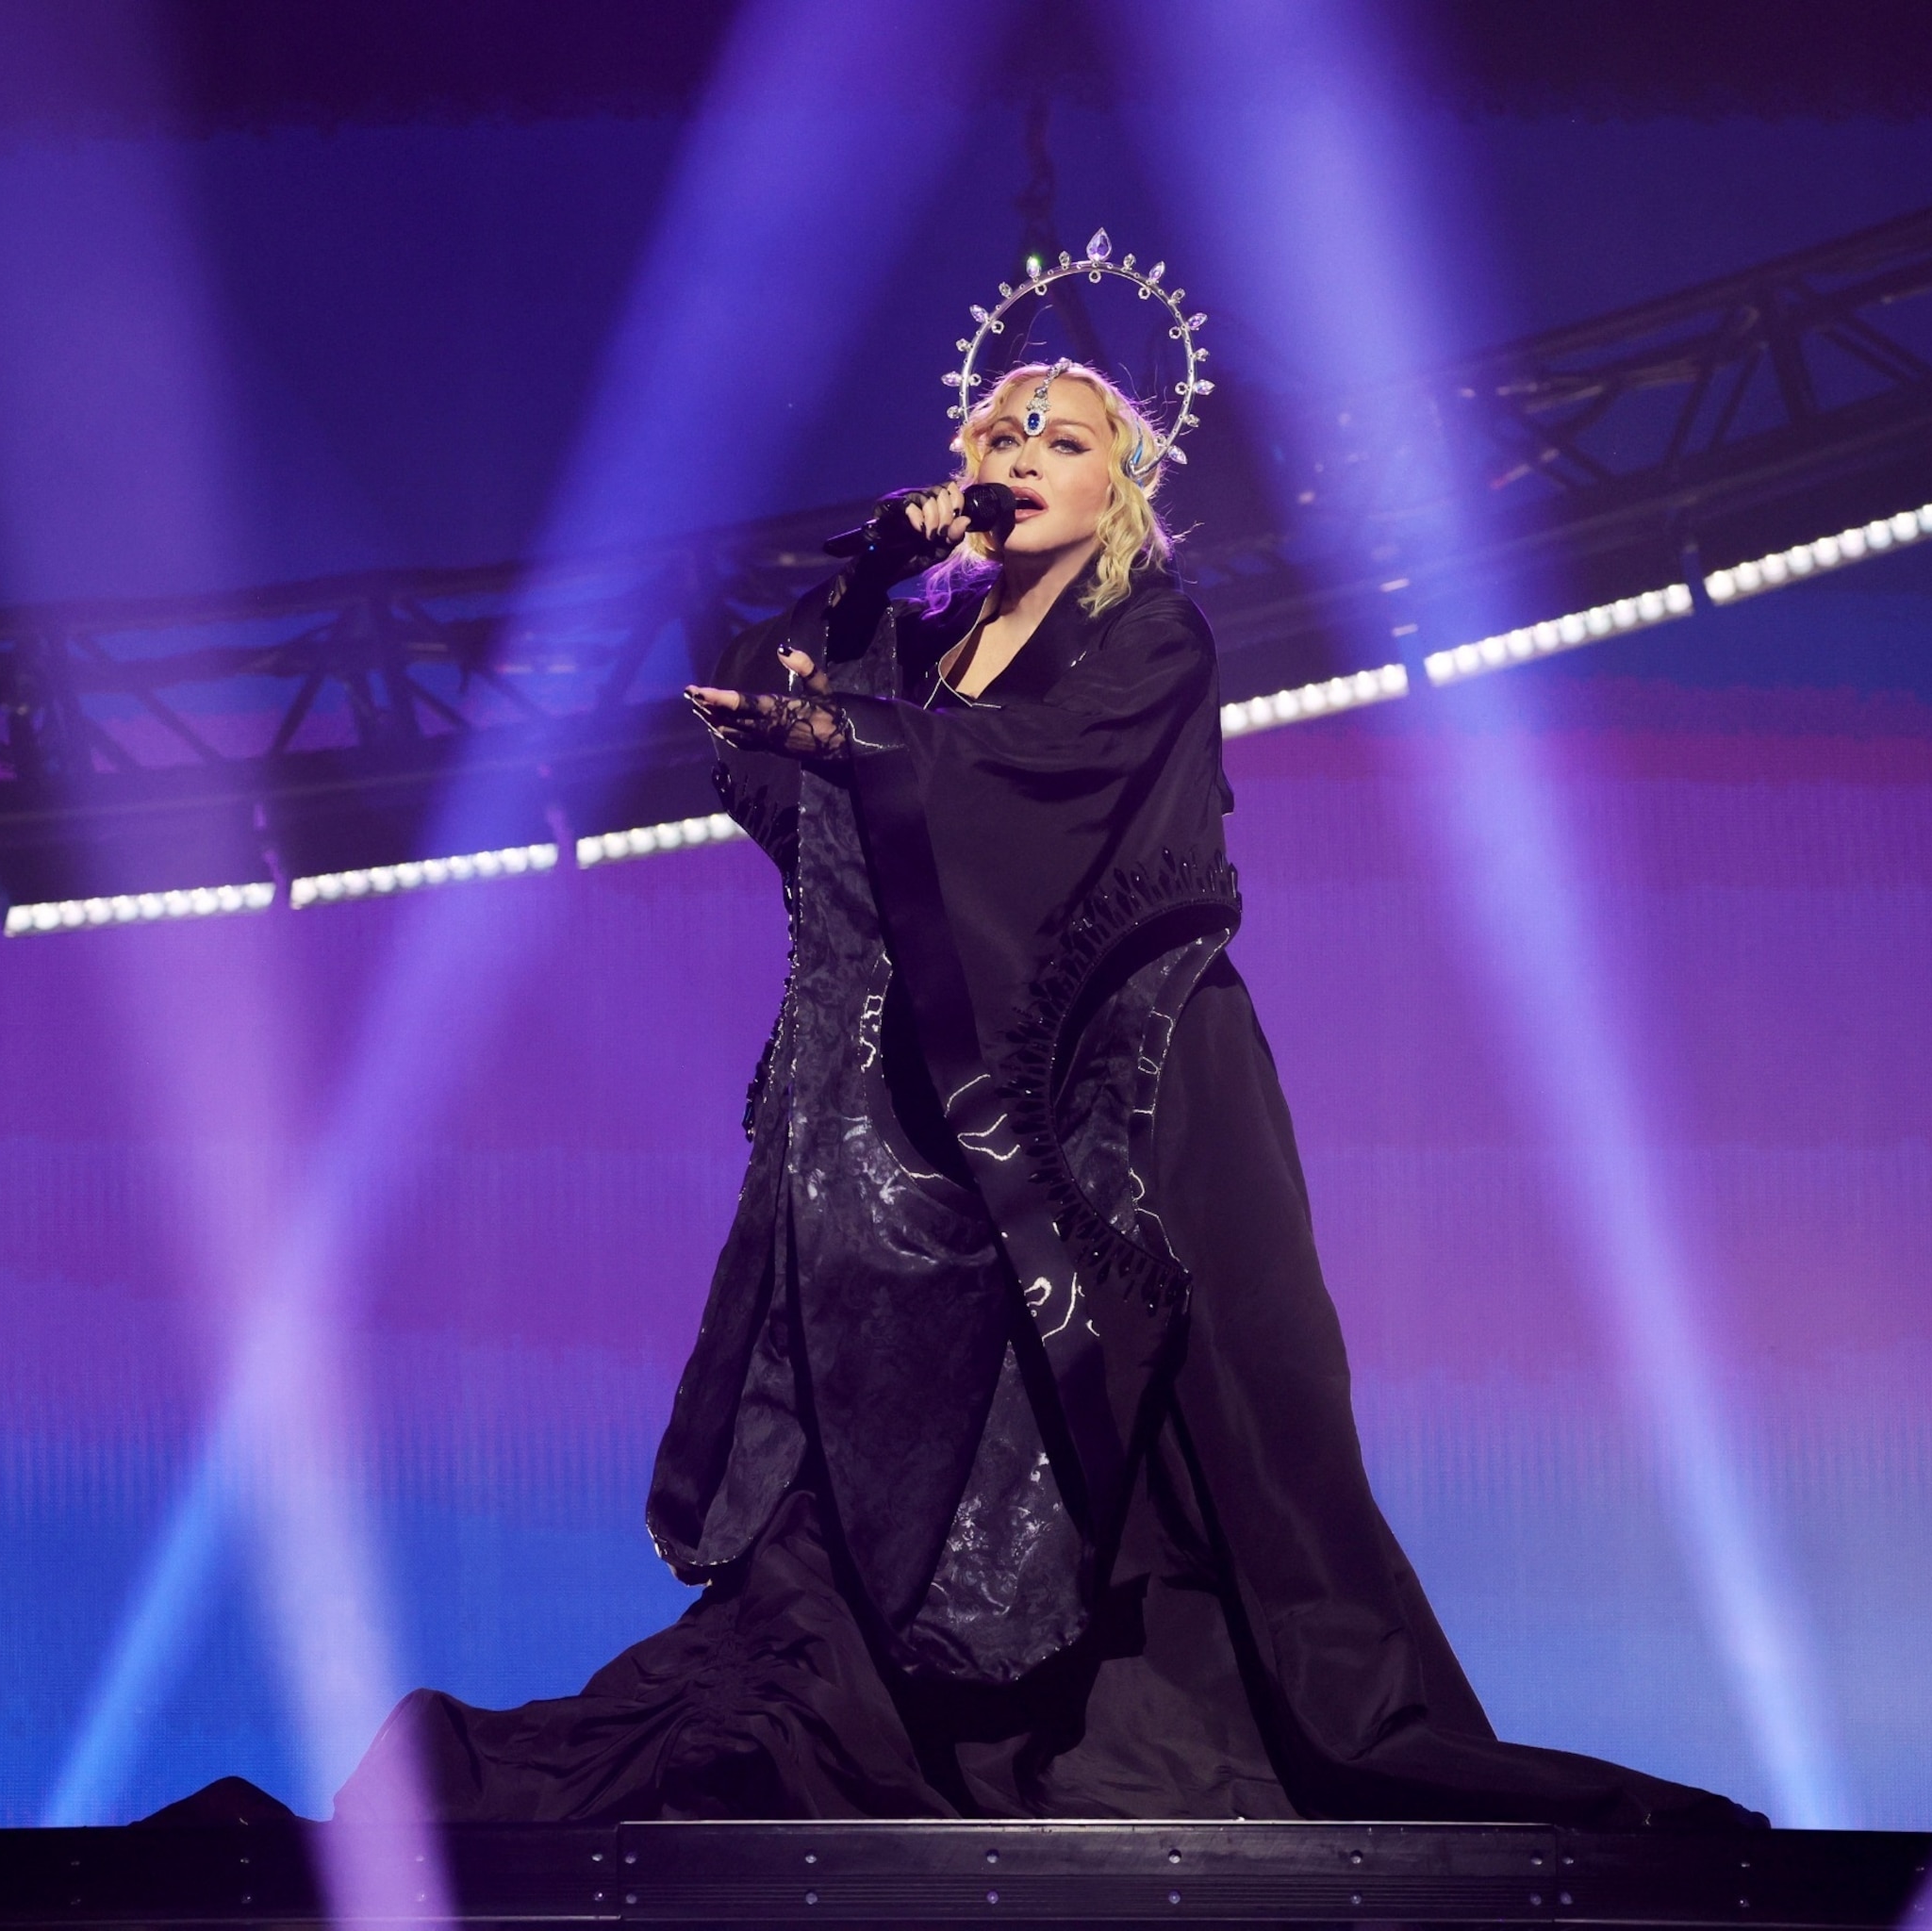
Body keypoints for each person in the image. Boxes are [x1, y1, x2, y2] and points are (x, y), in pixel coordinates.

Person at [322, 360, 1762, 1829]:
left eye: (1062, 439)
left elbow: (1043, 779)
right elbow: (769, 712)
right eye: (1000, 433)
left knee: (1180, 1434)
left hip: (1133, 1095)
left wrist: (859, 741)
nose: (1023, 455)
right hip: (935, 1120)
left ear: (1119, 487)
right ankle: (921, 1722)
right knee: (898, 1441)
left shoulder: (1153, 638)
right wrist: (880, 573)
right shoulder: (922, 653)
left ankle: (1197, 1738)